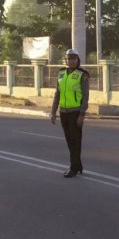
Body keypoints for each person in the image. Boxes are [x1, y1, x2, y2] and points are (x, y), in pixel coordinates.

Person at [50, 49, 90, 177]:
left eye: (73, 59)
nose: (71, 61)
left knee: (75, 140)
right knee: (69, 140)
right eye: (68, 59)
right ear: (65, 60)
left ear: (77, 60)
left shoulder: (82, 74)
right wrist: (53, 111)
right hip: (63, 112)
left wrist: (82, 114)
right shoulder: (61, 73)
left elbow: (85, 95)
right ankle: (78, 165)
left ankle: (73, 168)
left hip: (75, 112)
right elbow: (57, 94)